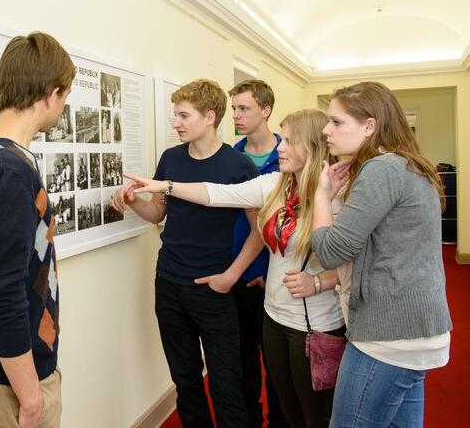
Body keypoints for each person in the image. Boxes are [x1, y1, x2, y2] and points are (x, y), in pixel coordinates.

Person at [118, 109, 346, 428]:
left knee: (317, 415)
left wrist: (319, 282)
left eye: (290, 141)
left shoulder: (339, 195)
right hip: (275, 315)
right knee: (289, 408)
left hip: (316, 323)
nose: (280, 146)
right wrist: (164, 185)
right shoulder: (275, 185)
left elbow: (353, 263)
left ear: (312, 147)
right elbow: (216, 194)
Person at [112, 79, 260, 428]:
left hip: (214, 290)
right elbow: (157, 215)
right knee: (186, 382)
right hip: (169, 285)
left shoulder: (239, 166)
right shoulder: (171, 159)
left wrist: (230, 277)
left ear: (209, 117)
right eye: (174, 115)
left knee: (226, 385)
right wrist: (134, 202)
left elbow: (259, 232)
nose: (175, 123)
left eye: (183, 115)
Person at [311, 81, 453, 428]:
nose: (326, 131)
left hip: (390, 335)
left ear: (369, 126)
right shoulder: (409, 165)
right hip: (415, 327)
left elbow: (330, 251)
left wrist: (321, 194)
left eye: (337, 122)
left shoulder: (381, 169)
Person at [0, 31, 75, 428]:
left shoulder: (0, 155)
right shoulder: (6, 171)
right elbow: (1, 296)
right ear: (50, 95)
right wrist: (31, 397)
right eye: (65, 97)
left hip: (16, 372)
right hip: (12, 384)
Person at [228, 79, 288, 428]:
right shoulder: (231, 158)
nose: (236, 115)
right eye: (234, 108)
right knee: (241, 364)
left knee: (278, 368)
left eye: (244, 108)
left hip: (275, 278)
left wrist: (273, 270)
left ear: (265, 111)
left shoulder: (289, 157)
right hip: (238, 275)